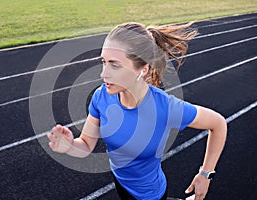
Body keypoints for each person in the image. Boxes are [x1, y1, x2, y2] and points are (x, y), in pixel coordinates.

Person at [47, 22, 227, 200]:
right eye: (104, 62)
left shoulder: (166, 108)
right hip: (120, 183)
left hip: (150, 195)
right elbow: (86, 144)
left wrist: (205, 174)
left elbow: (218, 124)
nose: (103, 74)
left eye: (115, 65)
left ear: (142, 70)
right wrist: (69, 146)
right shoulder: (101, 97)